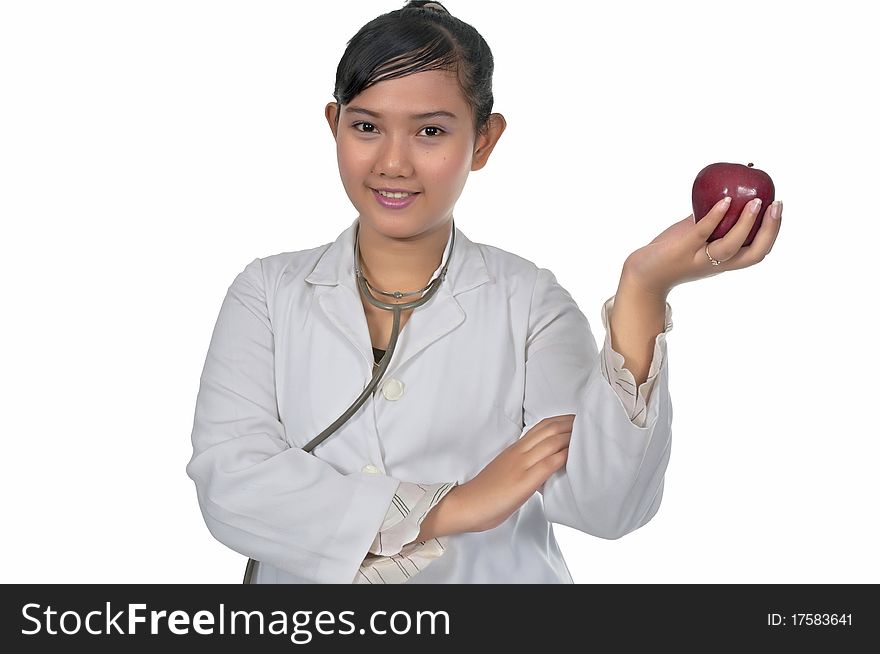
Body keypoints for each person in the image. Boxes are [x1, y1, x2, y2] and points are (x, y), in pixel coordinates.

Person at [185, 0, 783, 584]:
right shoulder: (265, 293)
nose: (393, 162)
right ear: (332, 124)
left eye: (430, 132)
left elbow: (606, 508)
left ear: (484, 141)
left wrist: (643, 292)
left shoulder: (529, 304)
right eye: (366, 126)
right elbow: (230, 486)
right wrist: (456, 506)